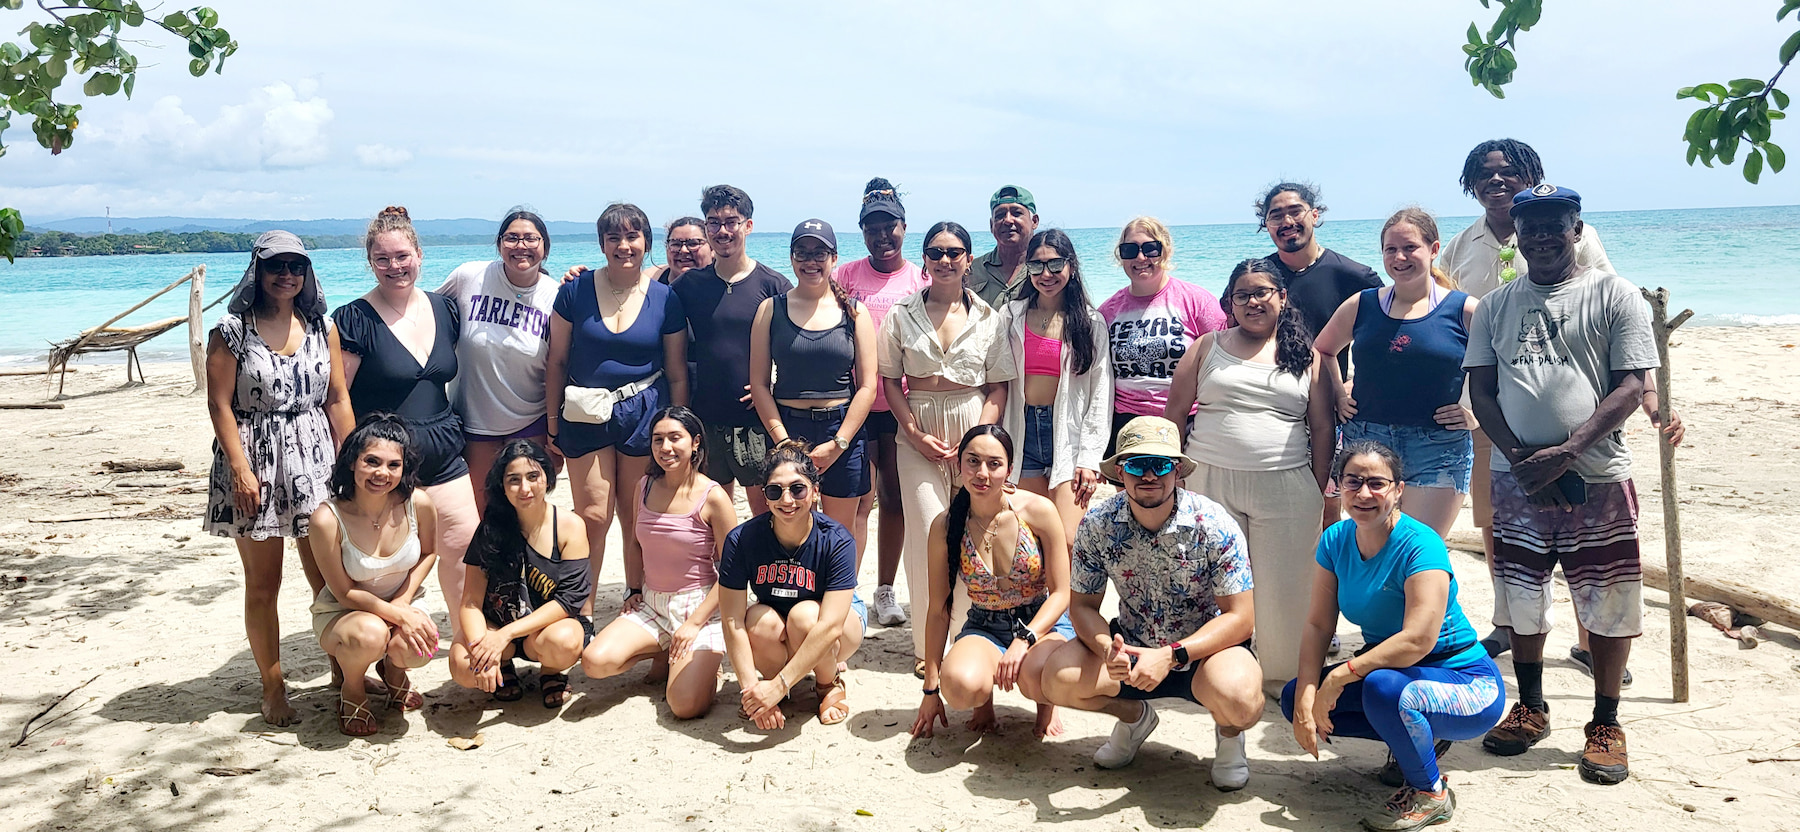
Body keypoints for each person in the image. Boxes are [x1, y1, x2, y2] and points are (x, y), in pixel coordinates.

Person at [1439, 139, 1683, 675]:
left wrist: (1649, 400)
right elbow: (1445, 313)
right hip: (1497, 418)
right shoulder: (1459, 247)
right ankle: (1513, 626)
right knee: (1503, 532)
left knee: (1596, 563)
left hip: (1589, 436)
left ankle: (1588, 643)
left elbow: (1617, 332)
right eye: (1483, 173)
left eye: (1507, 172)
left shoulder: (1583, 242)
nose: (1495, 181)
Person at [1464, 184, 1658, 785]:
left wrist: (1569, 451)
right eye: (1532, 225)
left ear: (1577, 229)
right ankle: (1531, 704)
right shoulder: (1496, 305)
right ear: (1516, 233)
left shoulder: (1615, 294)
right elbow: (1482, 389)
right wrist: (1522, 458)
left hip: (1597, 475)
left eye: (1557, 223)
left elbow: (1630, 386)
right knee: (1521, 597)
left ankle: (1605, 720)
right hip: (1515, 476)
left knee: (1608, 598)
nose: (1544, 235)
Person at [1283, 441, 1505, 832]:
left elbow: (1418, 639)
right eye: (1353, 481)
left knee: (1383, 689)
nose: (1364, 493)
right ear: (1339, 485)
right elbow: (1319, 625)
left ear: (1399, 490)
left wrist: (1339, 675)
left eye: (1377, 483)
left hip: (1468, 684)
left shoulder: (1421, 545)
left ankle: (1430, 792)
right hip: (1400, 677)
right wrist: (1306, 697)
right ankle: (1418, 740)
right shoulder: (1336, 540)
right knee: (1292, 696)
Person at [1041, 416, 1262, 791]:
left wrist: (1173, 654)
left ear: (1177, 471)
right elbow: (1082, 606)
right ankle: (1134, 719)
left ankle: (1228, 736)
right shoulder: (1096, 525)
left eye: (1160, 464)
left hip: (1205, 653)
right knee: (1057, 678)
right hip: (1130, 651)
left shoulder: (1214, 524)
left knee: (1241, 700)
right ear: (1119, 473)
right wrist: (1105, 650)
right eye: (1136, 464)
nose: (1149, 475)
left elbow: (1241, 618)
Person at [204, 231, 355, 726]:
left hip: (316, 462)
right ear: (258, 271)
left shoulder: (320, 327)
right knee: (264, 583)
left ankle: (342, 670)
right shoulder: (231, 332)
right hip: (254, 463)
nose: (286, 274)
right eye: (276, 265)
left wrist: (351, 461)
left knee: (330, 578)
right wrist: (241, 469)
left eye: (296, 266)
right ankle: (273, 687)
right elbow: (219, 403)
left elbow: (336, 398)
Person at [1164, 259, 1334, 687]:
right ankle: (1212, 675)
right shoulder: (1206, 347)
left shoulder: (1306, 355)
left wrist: (1314, 488)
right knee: (1209, 584)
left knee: (1285, 588)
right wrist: (1175, 478)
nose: (1253, 301)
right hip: (1208, 481)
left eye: (1262, 292)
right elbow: (1174, 416)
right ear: (1230, 303)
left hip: (1286, 485)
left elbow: (1322, 427)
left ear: (1282, 297)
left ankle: (1280, 677)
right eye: (1243, 295)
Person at [332, 206, 479, 641]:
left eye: (402, 256)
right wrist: (350, 463)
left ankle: (468, 642)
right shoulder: (354, 319)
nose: (394, 267)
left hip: (447, 453)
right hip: (384, 465)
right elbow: (337, 399)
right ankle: (387, 655)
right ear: (370, 262)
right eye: (382, 259)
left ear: (419, 254)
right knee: (386, 570)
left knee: (463, 552)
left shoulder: (446, 309)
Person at [879, 221, 1015, 675]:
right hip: (917, 432)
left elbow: (998, 388)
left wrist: (976, 442)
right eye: (935, 252)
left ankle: (964, 638)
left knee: (970, 535)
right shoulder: (901, 314)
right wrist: (914, 432)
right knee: (926, 534)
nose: (944, 260)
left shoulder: (989, 319)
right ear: (924, 259)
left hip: (970, 428)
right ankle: (925, 646)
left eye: (954, 252)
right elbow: (890, 382)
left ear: (969, 260)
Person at [546, 202, 689, 613]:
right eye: (614, 238)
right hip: (584, 411)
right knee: (592, 515)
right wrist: (552, 422)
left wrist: (678, 429)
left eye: (632, 237)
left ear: (646, 243)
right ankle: (581, 608)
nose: (624, 246)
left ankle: (637, 596)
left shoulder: (665, 298)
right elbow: (555, 361)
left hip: (645, 412)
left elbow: (676, 371)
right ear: (602, 243)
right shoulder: (574, 291)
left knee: (636, 515)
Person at [1313, 208, 1478, 538]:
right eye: (1391, 249)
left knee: (1421, 551)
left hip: (1437, 446)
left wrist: (1476, 413)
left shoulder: (1465, 309)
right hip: (1367, 441)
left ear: (1433, 250)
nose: (1400, 257)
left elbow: (1503, 365)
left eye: (1410, 247)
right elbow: (1323, 349)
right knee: (1374, 546)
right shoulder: (1362, 304)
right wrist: (1338, 394)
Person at [910, 426, 1074, 740]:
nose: (982, 473)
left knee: (1037, 677)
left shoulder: (1038, 511)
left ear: (1009, 469)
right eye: (973, 461)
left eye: (994, 464)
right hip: (985, 622)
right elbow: (938, 610)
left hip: (1042, 622)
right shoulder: (946, 525)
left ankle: (1046, 706)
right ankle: (982, 703)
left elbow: (1061, 593)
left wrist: (1025, 638)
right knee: (958, 686)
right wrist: (930, 690)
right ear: (959, 465)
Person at [581, 407, 737, 718]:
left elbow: (735, 570)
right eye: (657, 439)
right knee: (594, 662)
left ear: (695, 443)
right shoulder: (645, 486)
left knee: (684, 706)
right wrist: (633, 589)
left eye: (674, 438)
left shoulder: (714, 496)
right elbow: (635, 544)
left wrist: (692, 624)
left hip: (699, 609)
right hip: (653, 604)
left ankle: (705, 664)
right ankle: (666, 650)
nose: (665, 448)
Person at [834, 178, 929, 629]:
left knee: (893, 498)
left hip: (900, 405)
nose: (882, 235)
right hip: (849, 405)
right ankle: (843, 588)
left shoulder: (920, 278)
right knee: (855, 499)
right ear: (862, 231)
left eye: (889, 226)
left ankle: (886, 589)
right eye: (872, 228)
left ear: (904, 228)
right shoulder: (845, 276)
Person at [307, 414, 441, 737]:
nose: (382, 473)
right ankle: (352, 689)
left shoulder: (418, 503)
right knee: (369, 635)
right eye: (372, 462)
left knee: (420, 645)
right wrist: (397, 615)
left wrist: (404, 604)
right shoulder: (326, 520)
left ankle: (393, 670)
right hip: (344, 613)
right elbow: (343, 592)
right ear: (353, 462)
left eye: (393, 465)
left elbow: (429, 553)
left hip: (401, 600)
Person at [719, 443, 866, 728]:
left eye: (797, 489)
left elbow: (831, 625)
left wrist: (778, 685)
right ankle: (774, 691)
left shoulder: (837, 539)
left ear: (815, 492)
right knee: (756, 620)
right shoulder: (742, 539)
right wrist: (752, 692)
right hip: (778, 622)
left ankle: (827, 685)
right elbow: (732, 619)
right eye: (775, 491)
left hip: (837, 623)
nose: (787, 500)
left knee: (806, 616)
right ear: (765, 496)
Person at [750, 219, 877, 541]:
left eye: (820, 253)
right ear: (791, 258)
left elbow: (867, 385)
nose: (811, 261)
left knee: (839, 530)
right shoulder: (770, 310)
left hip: (841, 430)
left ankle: (840, 592)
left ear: (834, 259)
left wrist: (839, 444)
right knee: (789, 526)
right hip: (788, 428)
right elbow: (760, 384)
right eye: (802, 253)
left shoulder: (855, 313)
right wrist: (781, 441)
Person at [672, 185, 792, 517]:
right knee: (713, 514)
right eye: (713, 222)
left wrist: (771, 387)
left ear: (748, 226)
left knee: (763, 512)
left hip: (755, 422)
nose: (722, 231)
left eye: (731, 222)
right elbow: (647, 300)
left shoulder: (773, 284)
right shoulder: (689, 285)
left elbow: (798, 345)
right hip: (705, 419)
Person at [435, 209, 560, 514]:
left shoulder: (556, 295)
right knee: (484, 513)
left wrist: (557, 431)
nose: (521, 246)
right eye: (512, 238)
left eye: (531, 238)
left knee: (527, 511)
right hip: (476, 421)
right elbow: (425, 312)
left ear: (545, 246)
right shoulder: (469, 277)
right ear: (499, 243)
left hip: (531, 419)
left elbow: (562, 363)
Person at [450, 440, 592, 709]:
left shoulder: (569, 526)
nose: (524, 488)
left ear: (548, 478)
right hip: (497, 624)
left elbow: (569, 600)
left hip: (544, 630)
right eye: (513, 480)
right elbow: (470, 601)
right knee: (462, 667)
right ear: (502, 486)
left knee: (564, 642)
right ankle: (501, 665)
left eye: (533, 476)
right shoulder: (490, 528)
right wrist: (483, 649)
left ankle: (551, 671)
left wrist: (505, 634)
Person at [995, 228, 1112, 542]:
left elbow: (1100, 394)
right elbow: (996, 381)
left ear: (1071, 266)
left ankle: (1067, 594)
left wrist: (1090, 458)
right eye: (1036, 265)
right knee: (1031, 538)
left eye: (1055, 264)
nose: (1046, 274)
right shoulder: (1010, 316)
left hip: (1068, 437)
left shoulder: (1089, 322)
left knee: (1070, 538)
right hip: (1022, 434)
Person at [1098, 216, 1228, 458]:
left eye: (1150, 249)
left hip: (1188, 420)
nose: (1140, 258)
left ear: (1165, 251)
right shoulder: (1107, 311)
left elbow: (1223, 359)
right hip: (1127, 423)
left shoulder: (1196, 301)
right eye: (1129, 250)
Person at [1255, 182, 1383, 372]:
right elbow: (1231, 334)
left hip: (1330, 394)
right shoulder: (1255, 279)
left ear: (1314, 216)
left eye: (1295, 212)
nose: (1287, 222)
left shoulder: (1354, 276)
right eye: (1276, 216)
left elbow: (1387, 335)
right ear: (1267, 225)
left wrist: (1357, 382)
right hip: (1268, 393)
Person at [968, 186, 1038, 306]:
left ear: (1034, 221)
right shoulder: (972, 270)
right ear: (991, 225)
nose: (1008, 220)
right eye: (1000, 215)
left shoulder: (1046, 269)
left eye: (1016, 213)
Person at [654, 217, 713, 284]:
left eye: (693, 244)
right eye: (676, 244)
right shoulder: (651, 285)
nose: (683, 250)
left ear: (712, 248)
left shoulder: (724, 287)